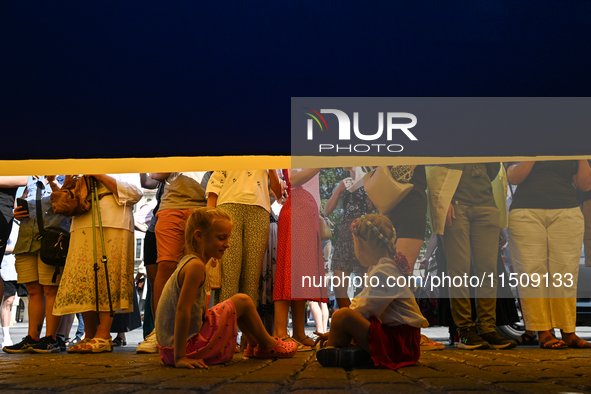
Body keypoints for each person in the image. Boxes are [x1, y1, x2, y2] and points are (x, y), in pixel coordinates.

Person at [155, 207, 297, 368]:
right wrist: (180, 357)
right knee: (242, 300)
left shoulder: (189, 261)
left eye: (228, 238)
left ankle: (253, 343)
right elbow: (182, 311)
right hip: (184, 349)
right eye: (222, 238)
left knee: (232, 306)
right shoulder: (195, 266)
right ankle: (267, 344)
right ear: (199, 236)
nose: (227, 244)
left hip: (169, 350)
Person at [314, 214, 428, 370]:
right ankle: (354, 354)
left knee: (341, 315)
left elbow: (366, 308)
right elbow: (366, 302)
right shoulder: (385, 267)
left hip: (397, 343)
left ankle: (332, 349)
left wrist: (338, 326)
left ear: (359, 244)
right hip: (399, 339)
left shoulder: (384, 272)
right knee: (345, 317)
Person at [426, 163, 516, 350]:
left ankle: (487, 329)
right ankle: (465, 330)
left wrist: (500, 221)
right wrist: (443, 201)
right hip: (456, 205)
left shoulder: (485, 139)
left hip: (487, 205)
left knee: (488, 272)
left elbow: (494, 171)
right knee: (458, 271)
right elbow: (435, 169)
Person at [53, 174, 143, 353]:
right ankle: (90, 334)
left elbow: (135, 193)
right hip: (82, 218)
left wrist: (99, 175)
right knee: (83, 279)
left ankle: (104, 335)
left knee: (107, 277)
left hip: (114, 219)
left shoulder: (127, 160)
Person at [507, 160, 591, 349]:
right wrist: (535, 153)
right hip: (526, 212)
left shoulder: (569, 143)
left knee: (565, 274)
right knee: (532, 275)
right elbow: (513, 177)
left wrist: (580, 154)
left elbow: (585, 184)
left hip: (567, 210)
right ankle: (542, 331)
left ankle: (568, 331)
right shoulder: (520, 139)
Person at [3, 176, 70, 353]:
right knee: (32, 290)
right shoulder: (29, 178)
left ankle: (52, 338)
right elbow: (23, 204)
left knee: (50, 289)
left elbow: (68, 206)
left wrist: (54, 182)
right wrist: (16, 213)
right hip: (27, 240)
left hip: (53, 240)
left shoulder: (66, 177)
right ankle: (32, 338)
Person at [206, 170, 281, 305]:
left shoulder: (269, 155)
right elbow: (216, 181)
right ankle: (224, 325)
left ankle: (243, 323)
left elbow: (278, 193)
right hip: (228, 206)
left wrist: (272, 168)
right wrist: (209, 221)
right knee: (228, 279)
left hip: (259, 210)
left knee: (251, 282)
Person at [274, 168, 327, 349]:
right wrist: (319, 163)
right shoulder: (299, 152)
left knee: (300, 276)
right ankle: (280, 331)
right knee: (288, 270)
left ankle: (298, 332)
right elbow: (293, 178)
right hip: (296, 212)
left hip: (306, 214)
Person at [324, 167, 373, 308]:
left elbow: (375, 205)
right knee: (339, 289)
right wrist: (339, 190)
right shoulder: (342, 183)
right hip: (344, 237)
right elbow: (326, 210)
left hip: (364, 236)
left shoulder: (370, 178)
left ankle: (367, 323)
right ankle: (350, 320)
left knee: (367, 287)